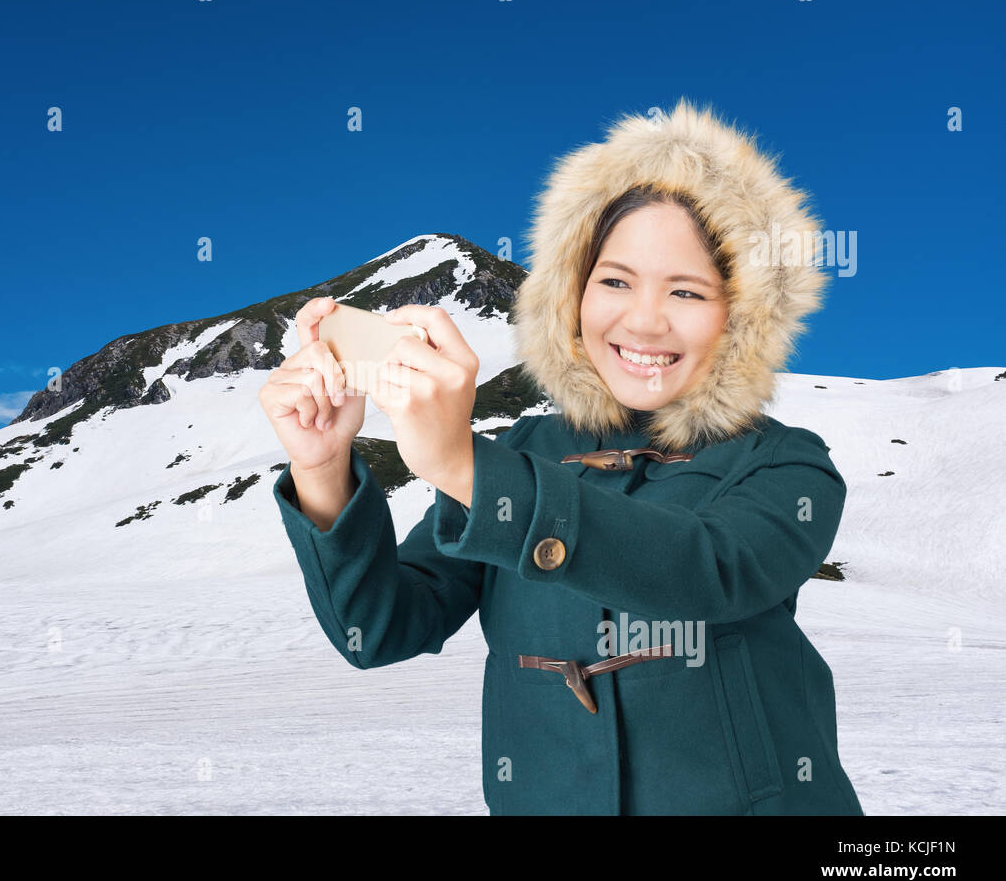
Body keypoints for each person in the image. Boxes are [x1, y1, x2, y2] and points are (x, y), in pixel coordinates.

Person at [258, 97, 864, 815]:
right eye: (614, 281)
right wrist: (323, 465)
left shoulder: (788, 465)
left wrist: (463, 468)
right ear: (569, 295)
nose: (643, 320)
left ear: (743, 316)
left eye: (688, 291)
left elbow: (710, 571)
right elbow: (378, 630)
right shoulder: (520, 451)